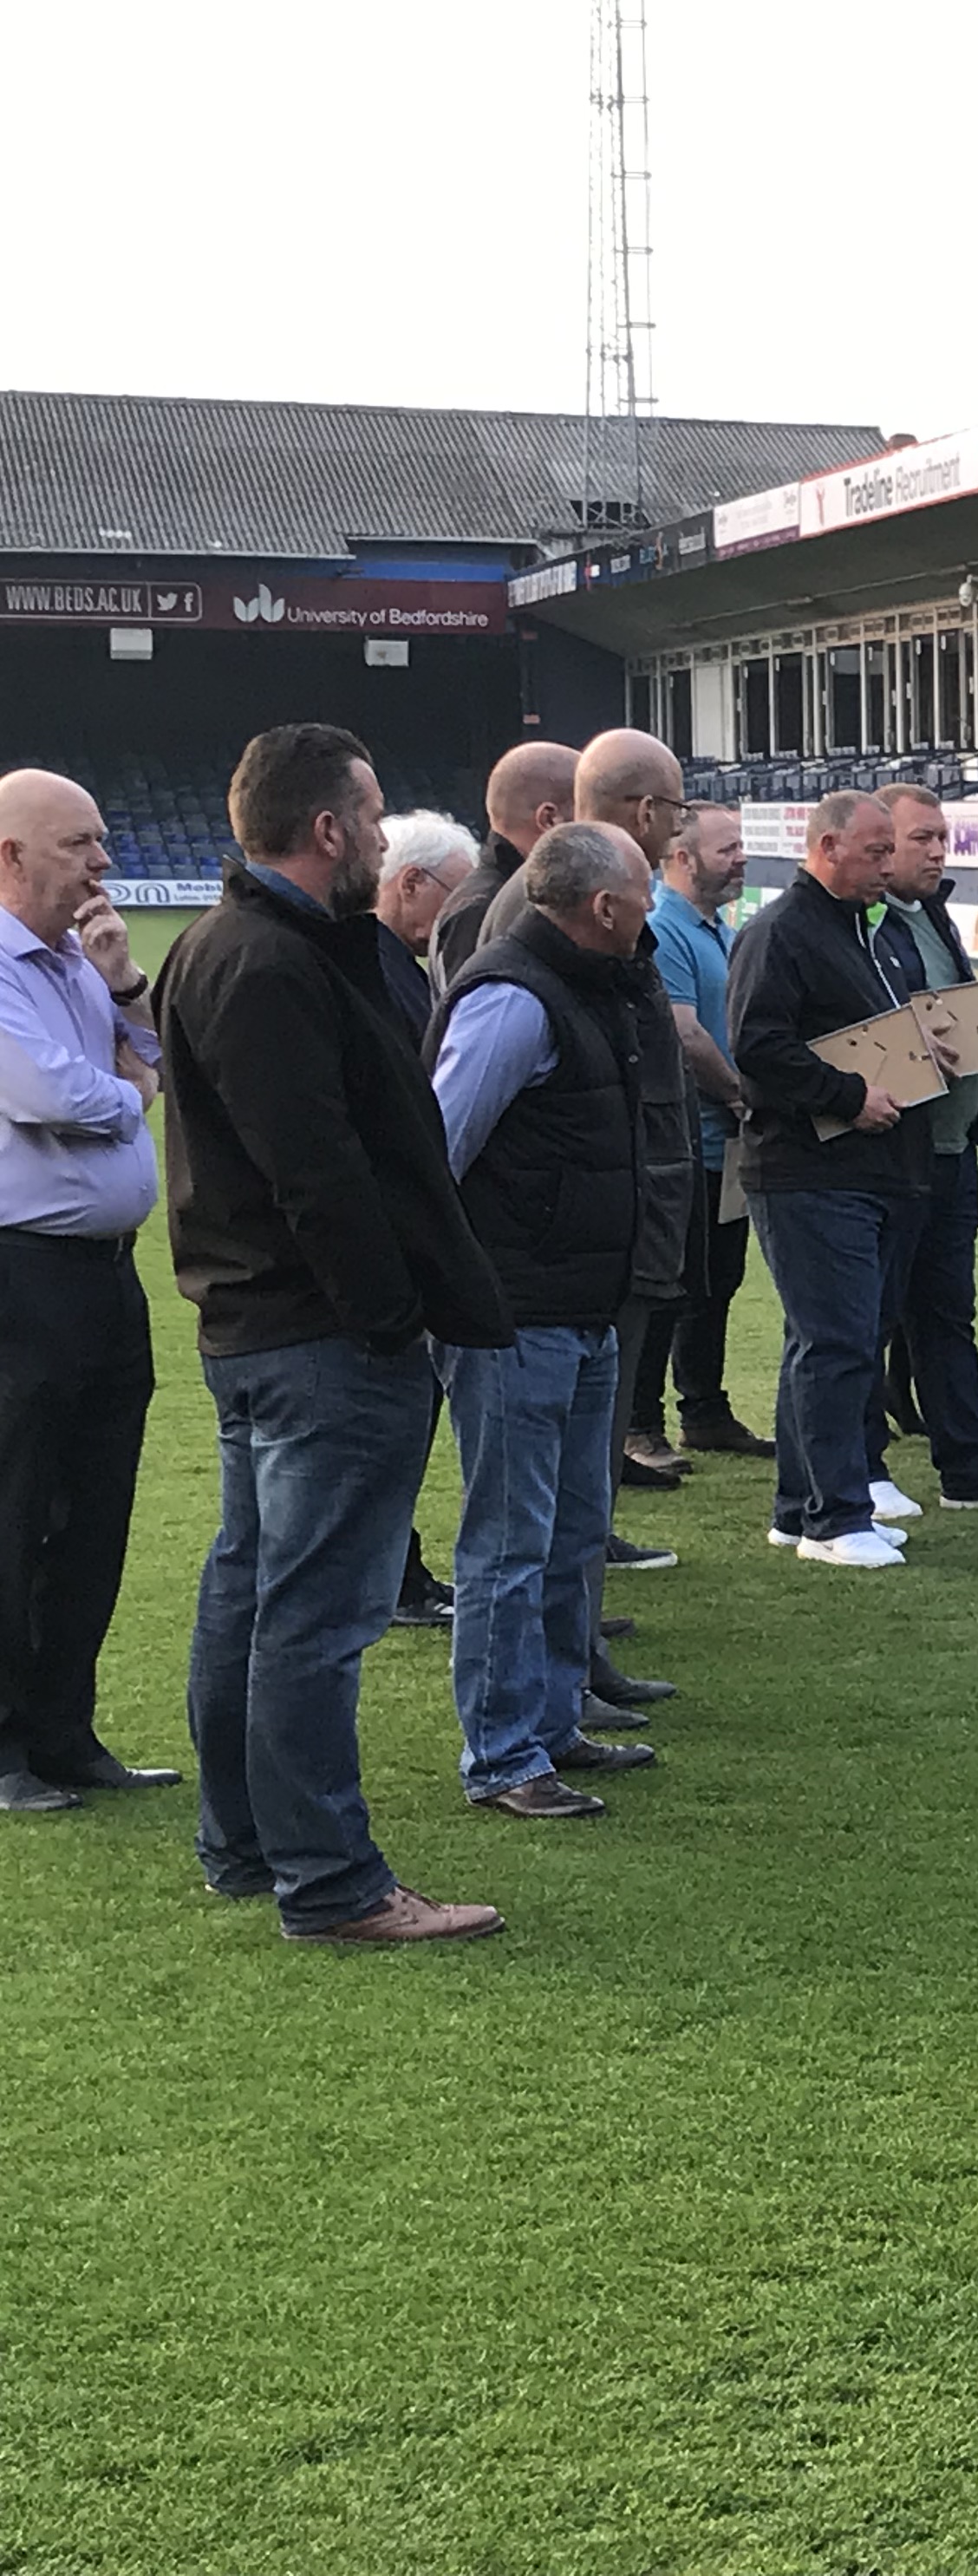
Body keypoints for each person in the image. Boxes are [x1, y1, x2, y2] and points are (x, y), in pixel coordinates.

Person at [154, 722, 509, 1942]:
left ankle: (251, 1845)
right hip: (316, 1337)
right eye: (369, 816)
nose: (379, 833)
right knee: (305, 1614)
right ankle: (331, 1880)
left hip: (270, 1329)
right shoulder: (268, 962)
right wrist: (388, 1319)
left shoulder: (243, 945)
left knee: (252, 1594)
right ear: (329, 831)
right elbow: (321, 1173)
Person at [427, 824, 665, 1819]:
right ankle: (502, 1756)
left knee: (574, 1529)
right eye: (642, 893)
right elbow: (439, 1144)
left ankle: (555, 1719)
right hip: (515, 1316)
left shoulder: (584, 988)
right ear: (602, 907)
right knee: (510, 1541)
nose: (650, 908)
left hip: (581, 1309)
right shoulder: (515, 1000)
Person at [0, 770, 172, 1813]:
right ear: (11, 856)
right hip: (25, 1277)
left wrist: (123, 994)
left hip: (106, 1279)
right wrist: (127, 1088)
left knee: (98, 1511)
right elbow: (52, 1094)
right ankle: (8, 1743)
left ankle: (66, 1730)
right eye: (80, 844)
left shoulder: (71, 963)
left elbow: (152, 1059)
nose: (103, 862)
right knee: (18, 1508)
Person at [727, 788, 937, 1567]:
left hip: (868, 1168)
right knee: (836, 1342)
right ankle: (834, 1517)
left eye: (891, 852)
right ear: (825, 850)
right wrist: (849, 1095)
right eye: (876, 852)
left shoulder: (864, 933)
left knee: (825, 1340)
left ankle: (804, 1504)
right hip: (805, 1169)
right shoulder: (780, 932)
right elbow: (757, 1044)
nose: (888, 866)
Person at [867, 783, 978, 1511]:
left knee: (948, 1314)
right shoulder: (867, 926)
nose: (938, 851)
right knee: (869, 1320)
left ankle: (970, 1469)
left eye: (942, 837)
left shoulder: (932, 915)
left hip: (951, 1148)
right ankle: (866, 1471)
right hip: (891, 1152)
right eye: (921, 839)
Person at [629, 800, 768, 1466]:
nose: (741, 858)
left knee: (719, 1279)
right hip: (692, 1139)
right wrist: (742, 1094)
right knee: (674, 1285)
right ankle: (641, 1424)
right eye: (727, 849)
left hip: (727, 1140)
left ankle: (705, 1410)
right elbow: (684, 1033)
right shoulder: (666, 927)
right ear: (681, 857)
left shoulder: (717, 928)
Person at [370, 807, 479, 1629]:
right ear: (411, 884)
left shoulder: (399, 965)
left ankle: (397, 1573)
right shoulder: (378, 971)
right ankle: (392, 1576)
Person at [427, 739, 576, 991]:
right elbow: (473, 1021)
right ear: (549, 819)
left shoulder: (514, 896)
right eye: (586, 813)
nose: (597, 831)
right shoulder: (479, 910)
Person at [372, 810, 478, 1039]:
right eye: (456, 898)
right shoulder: (378, 973)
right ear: (412, 884)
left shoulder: (385, 962)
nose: (459, 913)